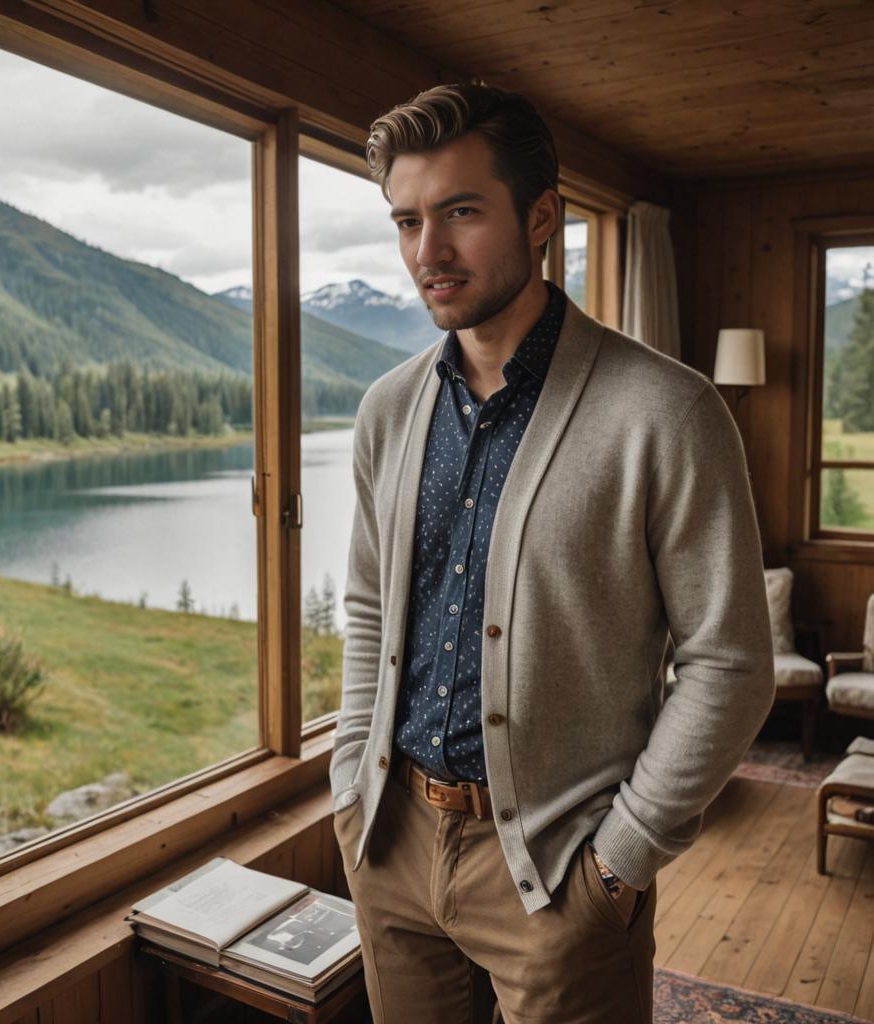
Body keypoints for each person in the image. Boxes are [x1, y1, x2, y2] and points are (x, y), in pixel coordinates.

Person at [328, 81, 775, 1024]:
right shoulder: (386, 412)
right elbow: (368, 609)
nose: (427, 253)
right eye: (406, 220)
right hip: (392, 846)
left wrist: (622, 861)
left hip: (566, 871)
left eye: (459, 213)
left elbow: (729, 663)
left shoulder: (667, 413)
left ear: (540, 218)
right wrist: (347, 790)